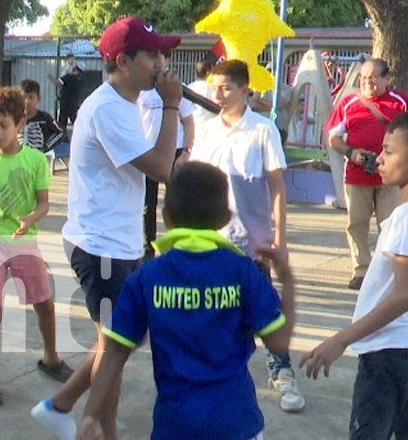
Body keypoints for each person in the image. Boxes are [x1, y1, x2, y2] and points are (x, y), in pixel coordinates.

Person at [30, 16, 182, 440]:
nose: (161, 62)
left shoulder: (122, 103)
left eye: (161, 53)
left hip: (119, 243)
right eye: (152, 54)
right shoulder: (107, 107)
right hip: (101, 248)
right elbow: (160, 166)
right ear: (122, 60)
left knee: (120, 341)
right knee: (116, 345)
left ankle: (60, 405)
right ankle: (97, 429)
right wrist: (171, 106)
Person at [77, 161, 296, 440]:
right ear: (226, 218)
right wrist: (287, 278)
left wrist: (91, 415)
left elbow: (114, 350)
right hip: (236, 423)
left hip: (176, 425)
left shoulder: (148, 276)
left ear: (166, 217)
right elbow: (278, 343)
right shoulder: (242, 271)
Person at [299, 110, 408, 440]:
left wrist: (341, 339)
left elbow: (406, 293)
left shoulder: (407, 217)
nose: (378, 159)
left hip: (388, 351)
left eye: (389, 152)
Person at [191, 59, 305, 413]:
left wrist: (279, 239)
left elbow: (276, 188)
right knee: (214, 313)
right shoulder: (206, 129)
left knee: (265, 310)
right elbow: (198, 184)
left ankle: (282, 371)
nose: (218, 94)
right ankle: (215, 374)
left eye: (226, 87)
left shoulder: (262, 130)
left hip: (253, 245)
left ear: (245, 90)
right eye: (215, 87)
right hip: (213, 242)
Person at [0, 86, 73, 408]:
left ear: (20, 123)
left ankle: (51, 357)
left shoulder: (35, 160)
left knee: (44, 303)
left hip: (24, 242)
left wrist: (30, 218)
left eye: (3, 124)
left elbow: (44, 204)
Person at [324, 58, 408, 290]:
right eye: (363, 78)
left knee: (391, 224)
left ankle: (389, 272)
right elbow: (332, 137)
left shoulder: (401, 103)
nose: (368, 82)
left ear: (386, 78)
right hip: (357, 175)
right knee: (356, 223)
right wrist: (351, 152)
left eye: (373, 77)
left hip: (391, 177)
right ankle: (361, 270)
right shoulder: (349, 103)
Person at [137, 49, 195, 260]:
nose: (155, 62)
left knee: (175, 202)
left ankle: (178, 245)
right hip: (148, 152)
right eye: (151, 56)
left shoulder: (177, 89)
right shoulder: (142, 91)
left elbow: (189, 122)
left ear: (167, 60)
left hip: (174, 151)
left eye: (159, 57)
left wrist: (186, 152)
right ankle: (148, 247)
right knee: (147, 205)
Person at [19, 79, 64, 153]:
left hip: (37, 158)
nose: (27, 101)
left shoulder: (44, 118)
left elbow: (61, 132)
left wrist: (46, 146)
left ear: (38, 99)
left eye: (31, 97)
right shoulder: (14, 118)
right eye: (23, 97)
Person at [47, 62, 85, 135]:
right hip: (75, 104)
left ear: (75, 68)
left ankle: (63, 139)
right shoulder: (81, 80)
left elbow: (56, 82)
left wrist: (50, 77)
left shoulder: (68, 77)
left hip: (65, 104)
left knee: (62, 124)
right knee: (76, 123)